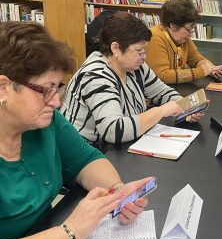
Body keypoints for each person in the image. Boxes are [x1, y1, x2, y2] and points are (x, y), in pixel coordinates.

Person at [0, 22, 152, 239]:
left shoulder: (44, 121)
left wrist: (116, 192)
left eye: (57, 88)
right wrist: (71, 231)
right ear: (3, 88)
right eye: (45, 90)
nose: (56, 101)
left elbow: (85, 160)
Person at [61, 11, 197, 145]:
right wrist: (161, 111)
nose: (144, 57)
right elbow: (113, 131)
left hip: (119, 148)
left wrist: (184, 108)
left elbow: (162, 91)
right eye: (139, 51)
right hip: (85, 151)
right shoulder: (96, 76)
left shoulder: (134, 66)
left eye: (144, 51)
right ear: (115, 48)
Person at [146, 0, 222, 84]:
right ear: (173, 25)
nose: (191, 33)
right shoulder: (154, 37)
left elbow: (196, 59)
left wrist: (211, 68)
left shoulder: (183, 37)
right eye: (189, 28)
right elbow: (163, 76)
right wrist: (201, 71)